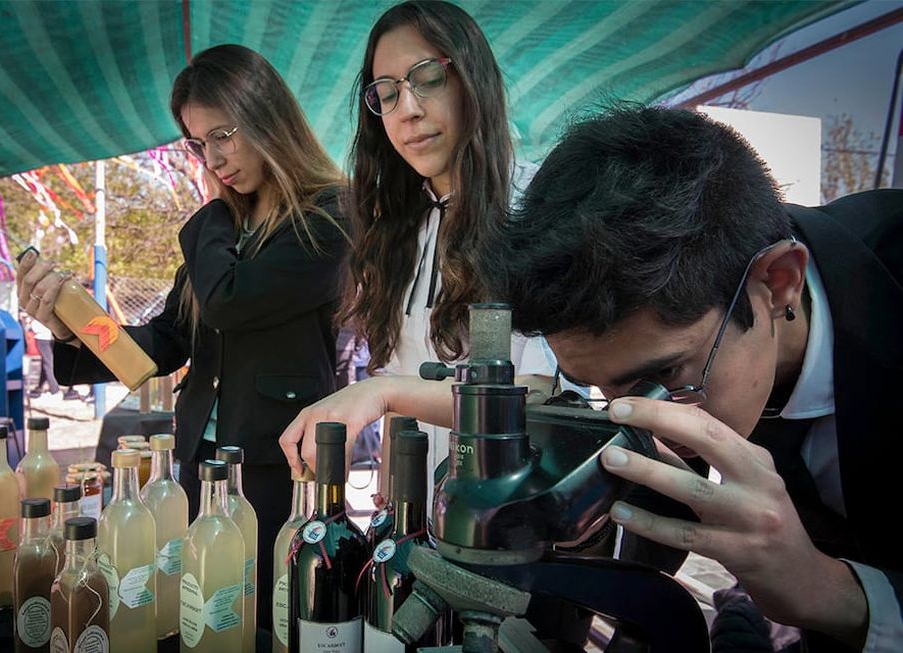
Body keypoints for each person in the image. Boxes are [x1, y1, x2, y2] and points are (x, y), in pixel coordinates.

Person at [478, 104, 902, 651]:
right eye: (602, 389)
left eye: (662, 379)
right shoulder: (714, 348)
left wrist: (832, 593)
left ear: (777, 284)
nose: (648, 422)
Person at [17, 44, 349, 633]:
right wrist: (71, 328)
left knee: (269, 619)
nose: (212, 158)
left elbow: (230, 301)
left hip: (282, 462)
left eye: (223, 134)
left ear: (268, 118)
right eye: (198, 144)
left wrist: (213, 216)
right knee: (200, 611)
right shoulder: (224, 232)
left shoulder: (326, 213)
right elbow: (166, 340)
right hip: (200, 459)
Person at [279, 0, 554, 484]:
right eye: (386, 93)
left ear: (474, 80)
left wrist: (379, 395)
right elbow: (397, 384)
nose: (407, 110)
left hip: (509, 517)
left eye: (428, 78)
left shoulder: (535, 206)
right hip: (423, 521)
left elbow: (541, 391)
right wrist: (389, 503)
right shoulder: (396, 231)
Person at [27, 316, 60, 397]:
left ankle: (54, 389)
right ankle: (40, 386)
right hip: (50, 336)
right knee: (47, 362)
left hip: (43, 336)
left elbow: (35, 323)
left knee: (47, 364)